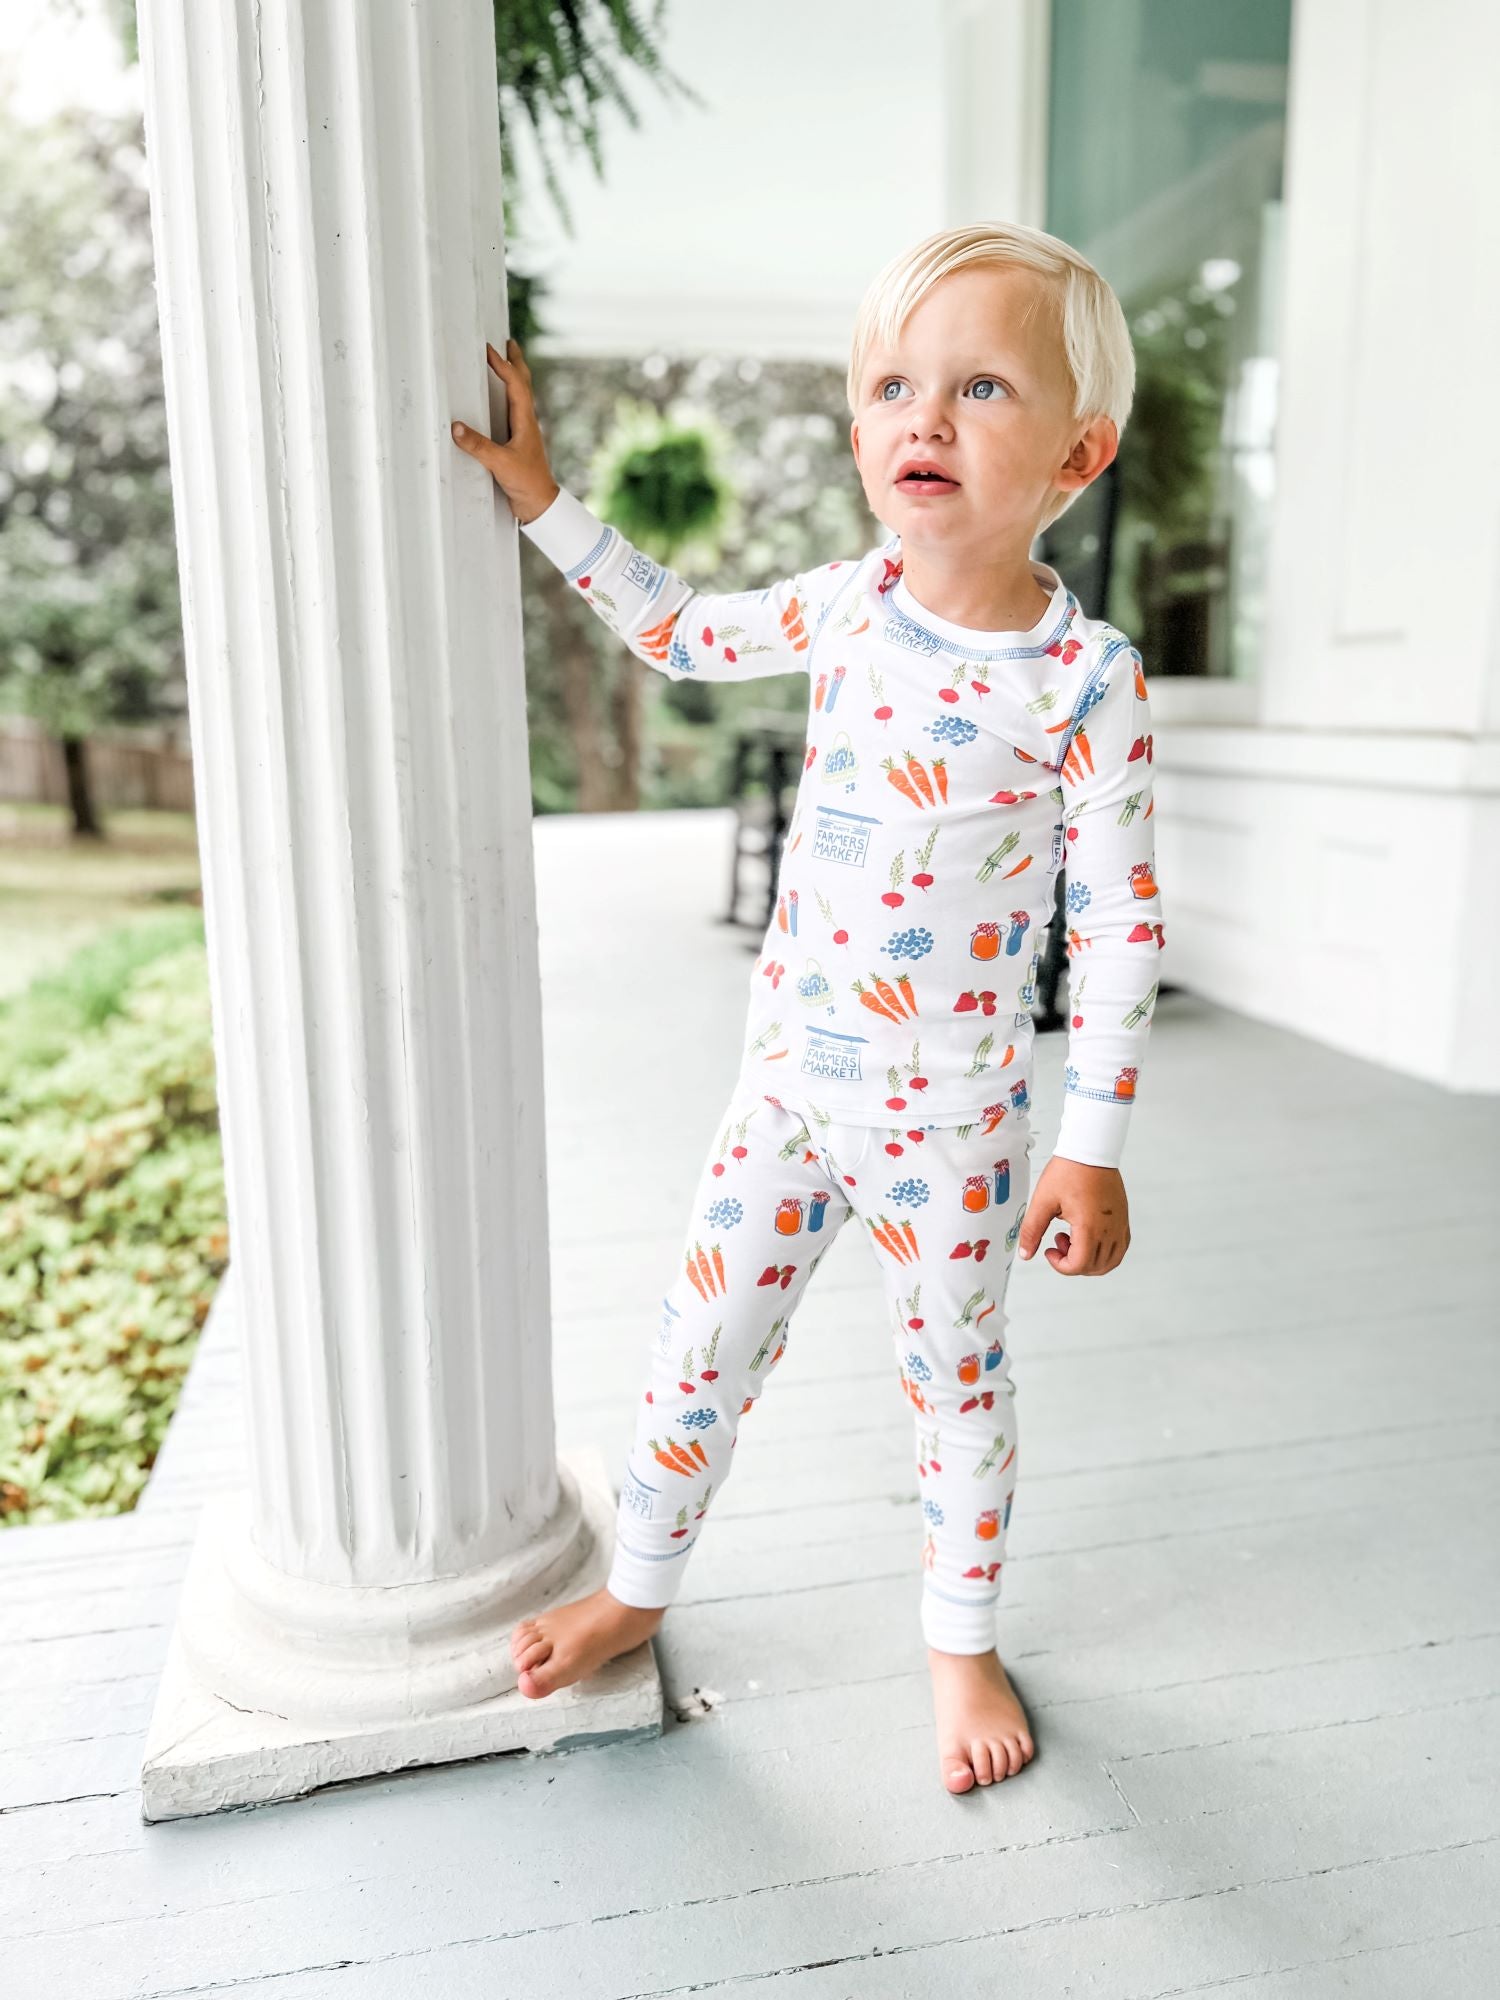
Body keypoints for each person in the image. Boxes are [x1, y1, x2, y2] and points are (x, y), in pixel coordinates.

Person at [450, 221, 1165, 1796]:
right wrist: (544, 506)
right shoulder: (849, 606)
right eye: (893, 386)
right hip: (786, 1089)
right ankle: (637, 1588)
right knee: (700, 1342)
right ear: (857, 433)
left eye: (980, 387)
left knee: (956, 1386)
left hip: (958, 1124)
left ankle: (960, 1637)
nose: (924, 417)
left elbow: (1117, 924)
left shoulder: (1082, 677)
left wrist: (1092, 1141)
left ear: (1078, 450)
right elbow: (682, 633)